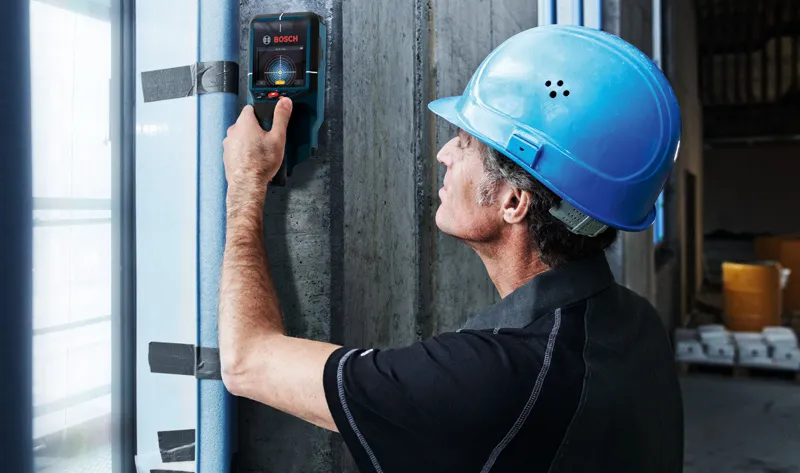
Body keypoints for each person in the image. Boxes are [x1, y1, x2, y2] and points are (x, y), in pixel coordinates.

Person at [218, 24, 683, 473]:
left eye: (464, 143)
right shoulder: (637, 323)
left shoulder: (491, 378)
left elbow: (246, 361)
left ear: (514, 202)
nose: (444, 154)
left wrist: (245, 183)